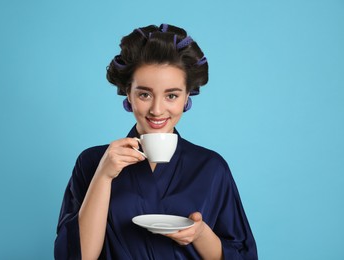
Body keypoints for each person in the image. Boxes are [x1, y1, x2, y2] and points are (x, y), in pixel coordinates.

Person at [54, 24, 258, 260]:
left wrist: (200, 233)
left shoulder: (211, 167)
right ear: (128, 93)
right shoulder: (92, 162)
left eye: (171, 95)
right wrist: (104, 176)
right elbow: (77, 257)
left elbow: (243, 255)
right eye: (144, 94)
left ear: (186, 97)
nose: (157, 110)